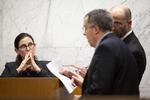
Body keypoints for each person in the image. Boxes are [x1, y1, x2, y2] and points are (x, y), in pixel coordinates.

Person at [61, 9, 139, 95]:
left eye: (85, 28)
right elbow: (108, 83)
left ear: (96, 29)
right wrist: (85, 83)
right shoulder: (116, 43)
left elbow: (98, 92)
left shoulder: (106, 47)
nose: (84, 33)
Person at [110, 5, 146, 83]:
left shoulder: (134, 52)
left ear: (129, 23)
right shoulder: (118, 40)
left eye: (117, 23)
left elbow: (123, 88)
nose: (112, 27)